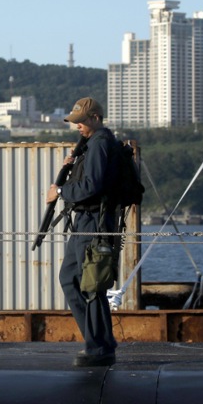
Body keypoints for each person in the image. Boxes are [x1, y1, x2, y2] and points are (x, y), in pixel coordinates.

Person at [45, 97, 119, 367]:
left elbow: (92, 185)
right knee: (70, 278)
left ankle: (99, 348)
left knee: (90, 285)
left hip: (93, 222)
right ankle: (99, 341)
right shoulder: (92, 144)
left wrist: (60, 191)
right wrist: (75, 164)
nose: (77, 126)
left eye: (81, 121)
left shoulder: (100, 143)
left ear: (95, 118)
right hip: (84, 222)